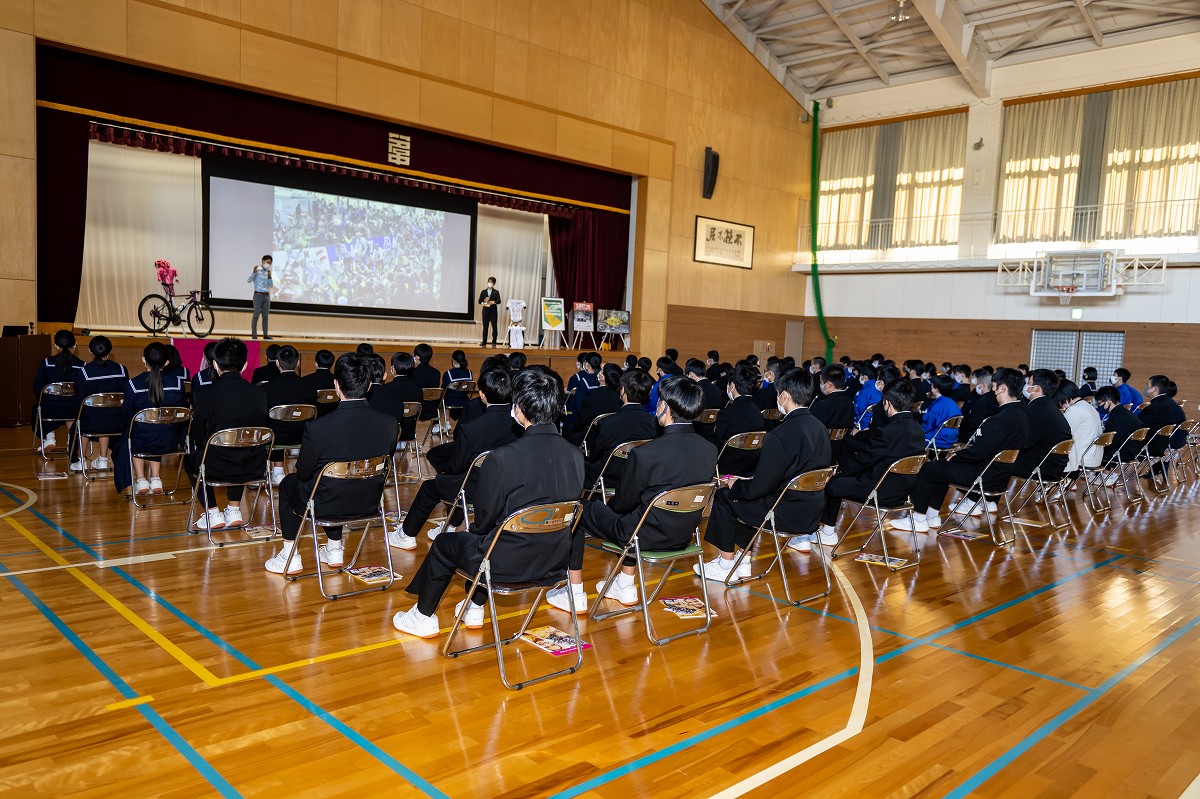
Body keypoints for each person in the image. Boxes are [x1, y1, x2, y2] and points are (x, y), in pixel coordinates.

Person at [392, 367, 585, 637]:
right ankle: (473, 606)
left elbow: (483, 522)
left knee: (447, 543)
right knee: (496, 539)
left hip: (505, 564)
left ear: (518, 409)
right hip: (553, 561)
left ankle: (423, 616)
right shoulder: (575, 454)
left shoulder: (503, 458)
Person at [550, 376, 717, 611]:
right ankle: (625, 583)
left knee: (579, 509)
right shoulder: (710, 449)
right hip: (682, 534)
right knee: (639, 514)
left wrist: (606, 510)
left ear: (665, 408)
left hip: (642, 535)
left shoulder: (647, 454)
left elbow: (623, 504)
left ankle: (574, 592)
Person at [264, 353, 397, 574]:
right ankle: (334, 548)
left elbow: (304, 473)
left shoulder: (318, 428)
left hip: (327, 504)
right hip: (369, 502)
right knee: (333, 482)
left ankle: (290, 556)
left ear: (336, 385)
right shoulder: (390, 424)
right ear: (369, 385)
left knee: (289, 484)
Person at [696, 368, 831, 581]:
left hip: (784, 511)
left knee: (726, 497)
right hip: (812, 509)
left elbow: (760, 488)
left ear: (785, 396)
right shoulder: (820, 428)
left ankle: (726, 564)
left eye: (778, 394)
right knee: (743, 497)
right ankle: (743, 562)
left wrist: (735, 485)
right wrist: (744, 483)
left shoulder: (780, 435)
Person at [386, 368, 520, 550]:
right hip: (508, 483)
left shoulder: (472, 428)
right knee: (457, 481)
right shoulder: (520, 423)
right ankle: (448, 526)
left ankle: (406, 535)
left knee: (431, 487)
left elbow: (457, 466)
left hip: (477, 485)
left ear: (482, 395)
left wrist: (445, 473)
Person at [889, 368, 1029, 533]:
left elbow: (978, 452)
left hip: (983, 475)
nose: (993, 391)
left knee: (928, 468)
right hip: (999, 475)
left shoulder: (999, 420)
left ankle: (918, 519)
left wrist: (956, 456)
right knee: (940, 468)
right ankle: (932, 516)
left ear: (1003, 388)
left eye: (994, 386)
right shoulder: (1022, 415)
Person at [806, 378, 925, 552]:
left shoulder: (889, 431)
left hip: (880, 490)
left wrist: (839, 471)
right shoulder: (917, 429)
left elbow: (864, 459)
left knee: (832, 484)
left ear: (887, 404)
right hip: (904, 490)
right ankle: (827, 531)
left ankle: (828, 531)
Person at [186, 337, 270, 531]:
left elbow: (198, 435)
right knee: (240, 447)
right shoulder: (260, 393)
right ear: (245, 365)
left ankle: (212, 512)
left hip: (216, 465)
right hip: (253, 465)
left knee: (191, 460)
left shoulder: (205, 394)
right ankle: (233, 510)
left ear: (215, 364)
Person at [113, 342, 188, 496]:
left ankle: (141, 480)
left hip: (141, 440)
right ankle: (155, 478)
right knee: (158, 428)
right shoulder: (178, 383)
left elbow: (126, 416)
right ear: (167, 362)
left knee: (134, 431)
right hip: (170, 441)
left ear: (143, 360)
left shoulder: (132, 384)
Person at [583, 369, 657, 490]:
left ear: (622, 390)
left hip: (607, 479)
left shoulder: (607, 423)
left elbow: (594, 456)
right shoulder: (654, 423)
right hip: (638, 478)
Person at [69, 336, 128, 473]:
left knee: (83, 418)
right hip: (117, 422)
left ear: (90, 351)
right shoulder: (121, 369)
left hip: (91, 423)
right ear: (110, 350)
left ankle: (81, 461)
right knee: (105, 415)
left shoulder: (83, 371)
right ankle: (102, 459)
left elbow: (80, 401)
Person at [260, 345, 317, 485]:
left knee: (270, 424)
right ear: (297, 363)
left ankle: (276, 471)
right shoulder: (309, 386)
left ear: (277, 363)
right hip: (302, 437)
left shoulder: (267, 389)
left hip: (275, 439)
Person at [32, 329, 83, 452]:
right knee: (73, 409)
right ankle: (71, 440)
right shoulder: (82, 365)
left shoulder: (46, 363)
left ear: (55, 345)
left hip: (51, 408)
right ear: (75, 344)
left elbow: (37, 387)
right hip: (74, 409)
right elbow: (85, 389)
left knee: (37, 408)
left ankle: (49, 438)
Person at [714, 365, 766, 477]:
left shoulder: (726, 414)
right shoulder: (758, 412)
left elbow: (719, 445)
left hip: (729, 467)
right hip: (752, 466)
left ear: (732, 385)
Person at [1136, 374, 1187, 479]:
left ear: (1154, 389)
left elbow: (1138, 424)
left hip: (1162, 443)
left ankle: (1110, 474)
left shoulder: (1156, 406)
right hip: (1173, 439)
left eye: (1148, 385)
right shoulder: (1167, 402)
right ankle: (1157, 467)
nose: (1146, 387)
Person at [369, 352, 422, 449]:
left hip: (390, 434)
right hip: (409, 433)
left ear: (392, 369)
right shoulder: (417, 390)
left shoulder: (386, 389)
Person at [1094, 386, 1149, 480]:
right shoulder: (1124, 412)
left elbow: (1110, 442)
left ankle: (1102, 475)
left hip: (1122, 453)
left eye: (1099, 403)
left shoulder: (1116, 418)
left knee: (1095, 448)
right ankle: (1105, 474)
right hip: (1132, 451)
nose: (1099, 406)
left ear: (1108, 401)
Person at [1055, 380, 1103, 481]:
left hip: (1083, 457)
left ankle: (1053, 485)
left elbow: (1062, 433)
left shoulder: (1075, 410)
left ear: (1065, 396)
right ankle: (1068, 483)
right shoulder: (1088, 406)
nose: (1061, 404)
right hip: (1094, 455)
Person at [568, 363, 622, 446]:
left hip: (594, 439)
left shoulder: (591, 398)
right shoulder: (621, 397)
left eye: (601, 371)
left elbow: (581, 422)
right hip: (614, 436)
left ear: (602, 377)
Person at [922, 374, 962, 453]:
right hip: (951, 439)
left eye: (933, 384)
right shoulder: (953, 403)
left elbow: (927, 427)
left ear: (936, 389)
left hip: (938, 440)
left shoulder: (937, 405)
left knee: (910, 437)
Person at [564, 352, 601, 437]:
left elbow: (578, 406)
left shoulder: (581, 380)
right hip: (597, 417)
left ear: (586, 364)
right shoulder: (601, 380)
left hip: (583, 418)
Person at [960, 368, 999, 442]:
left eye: (978, 384)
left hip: (976, 436)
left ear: (983, 385)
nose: (976, 387)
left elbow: (972, 423)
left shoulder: (981, 402)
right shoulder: (996, 398)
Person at [811, 364, 855, 431]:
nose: (821, 385)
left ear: (828, 385)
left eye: (821, 382)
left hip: (824, 440)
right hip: (844, 440)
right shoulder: (849, 402)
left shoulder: (822, 405)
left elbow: (813, 429)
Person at [440, 349, 473, 426]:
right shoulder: (469, 373)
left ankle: (447, 423)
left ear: (453, 360)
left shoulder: (448, 373)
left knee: (444, 398)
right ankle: (461, 422)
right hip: (465, 401)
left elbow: (444, 390)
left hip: (450, 401)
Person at [410, 343, 441, 423]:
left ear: (417, 357)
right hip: (432, 410)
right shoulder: (436, 373)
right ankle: (436, 426)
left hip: (416, 411)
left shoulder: (412, 373)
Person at [303, 349, 337, 415]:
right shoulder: (339, 380)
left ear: (316, 363)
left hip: (312, 418)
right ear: (332, 365)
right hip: (333, 416)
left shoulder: (305, 380)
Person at [248, 254, 273, 340]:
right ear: (263, 262)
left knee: (265, 317)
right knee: (256, 315)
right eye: (267, 262)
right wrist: (253, 272)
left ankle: (265, 335)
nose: (268, 264)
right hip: (258, 295)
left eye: (270, 263)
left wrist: (270, 276)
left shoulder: (268, 272)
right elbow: (249, 280)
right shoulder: (257, 270)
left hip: (266, 296)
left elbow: (271, 285)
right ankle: (254, 335)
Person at [852, 364, 880, 429]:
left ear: (865, 377)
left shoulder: (866, 390)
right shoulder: (876, 387)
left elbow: (858, 409)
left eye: (861, 375)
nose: (860, 377)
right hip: (873, 421)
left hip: (862, 423)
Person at [478, 276, 500, 347]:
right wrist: (484, 301)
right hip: (485, 312)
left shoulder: (496, 292)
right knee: (485, 328)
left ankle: (494, 342)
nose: (490, 283)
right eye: (489, 282)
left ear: (494, 283)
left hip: (493, 313)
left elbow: (499, 301)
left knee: (494, 327)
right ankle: (484, 342)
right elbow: (479, 301)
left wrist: (493, 302)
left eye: (491, 282)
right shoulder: (483, 292)